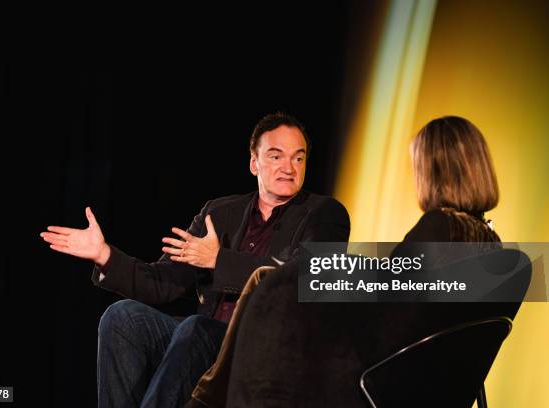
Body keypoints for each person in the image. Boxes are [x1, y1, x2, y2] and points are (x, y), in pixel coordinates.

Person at [39, 112, 351, 408]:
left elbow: (308, 278)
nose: (289, 166)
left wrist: (219, 260)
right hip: (199, 346)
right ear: (254, 163)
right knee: (122, 318)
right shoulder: (219, 212)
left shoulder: (325, 214)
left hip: (260, 352)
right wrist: (105, 255)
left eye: (299, 157)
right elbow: (164, 283)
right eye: (276, 155)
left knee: (195, 327)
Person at [223, 116, 523, 407]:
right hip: (432, 390)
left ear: (432, 170)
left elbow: (382, 316)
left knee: (279, 319)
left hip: (377, 386)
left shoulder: (439, 227)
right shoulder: (493, 246)